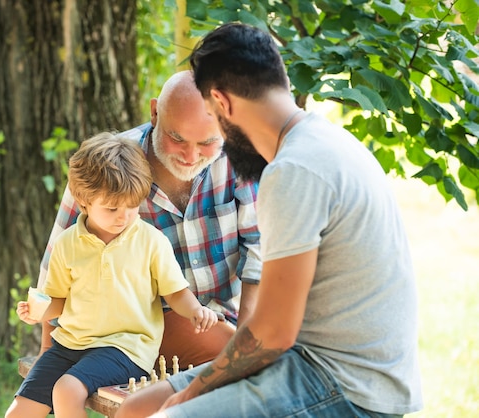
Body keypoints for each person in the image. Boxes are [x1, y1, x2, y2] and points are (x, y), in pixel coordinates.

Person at [116, 23, 423, 418]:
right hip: (306, 360)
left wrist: (191, 396)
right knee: (139, 407)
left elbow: (274, 333)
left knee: (167, 415)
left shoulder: (294, 170)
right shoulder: (320, 142)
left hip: (348, 384)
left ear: (221, 104)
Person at [36, 70, 262, 368]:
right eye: (177, 138)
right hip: (132, 329)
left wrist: (244, 345)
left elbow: (259, 250)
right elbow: (57, 263)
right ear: (155, 113)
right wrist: (46, 356)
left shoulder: (240, 156)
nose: (191, 156)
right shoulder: (110, 166)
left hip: (226, 319)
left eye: (207, 142)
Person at [5, 132, 219, 418]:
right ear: (84, 203)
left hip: (126, 347)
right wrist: (38, 312)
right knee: (19, 413)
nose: (124, 216)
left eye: (133, 206)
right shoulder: (67, 244)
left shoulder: (151, 241)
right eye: (112, 208)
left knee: (67, 390)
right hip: (70, 343)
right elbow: (58, 301)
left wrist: (195, 310)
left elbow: (175, 291)